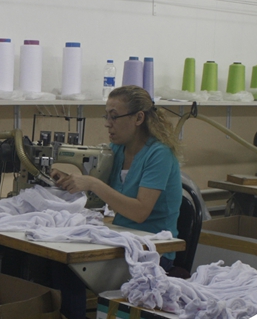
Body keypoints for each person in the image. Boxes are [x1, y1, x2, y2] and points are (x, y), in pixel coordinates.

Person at [52, 85, 182, 270]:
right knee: (56, 263)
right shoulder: (116, 150)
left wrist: (92, 183)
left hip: (154, 251)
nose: (107, 123)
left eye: (114, 116)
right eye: (106, 116)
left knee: (67, 270)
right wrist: (69, 181)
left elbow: (139, 212)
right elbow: (101, 196)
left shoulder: (159, 154)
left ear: (138, 118)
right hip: (123, 238)